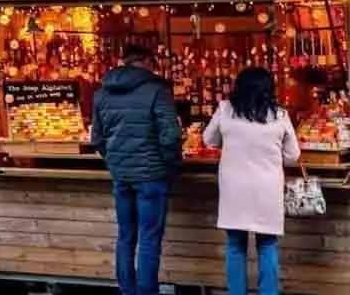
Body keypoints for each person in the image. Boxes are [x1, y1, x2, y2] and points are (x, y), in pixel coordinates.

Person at [90, 44, 184, 295]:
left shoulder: (102, 93)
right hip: (152, 176)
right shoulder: (158, 90)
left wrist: (115, 162)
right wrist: (171, 167)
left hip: (121, 176)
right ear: (147, 61)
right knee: (149, 238)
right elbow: (170, 135)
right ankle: (146, 291)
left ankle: (127, 290)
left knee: (125, 236)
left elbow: (96, 139)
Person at [203, 66, 299, 295]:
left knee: (235, 246)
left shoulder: (225, 110)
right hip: (267, 189)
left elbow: (209, 139)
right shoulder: (280, 115)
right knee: (267, 245)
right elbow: (293, 155)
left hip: (234, 190)